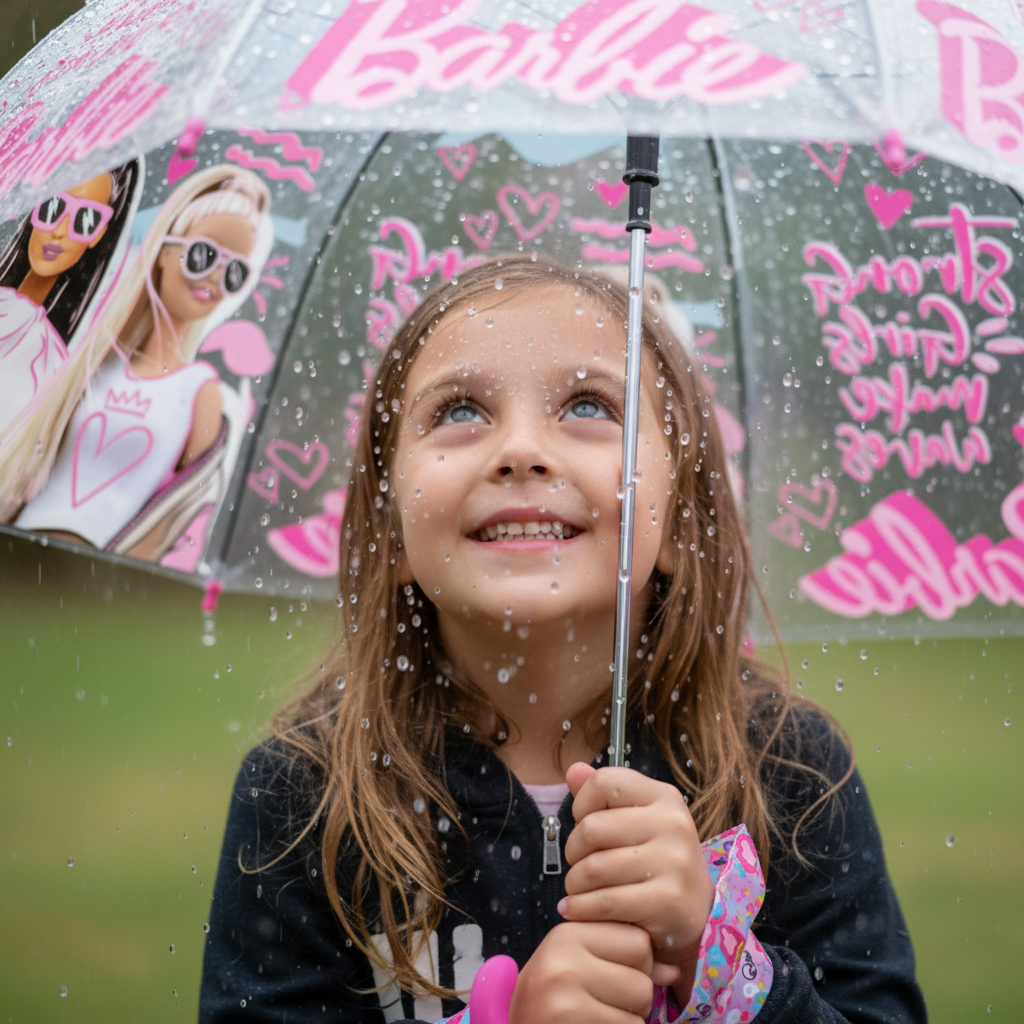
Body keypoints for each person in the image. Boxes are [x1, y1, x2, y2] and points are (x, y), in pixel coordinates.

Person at [198, 255, 926, 1024]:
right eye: (458, 412)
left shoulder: (791, 771)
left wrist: (708, 957)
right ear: (392, 533)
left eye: (588, 404)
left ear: (679, 521)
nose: (519, 448)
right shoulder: (302, 795)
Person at [4, 165, 272, 561]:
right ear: (165, 252)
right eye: (203, 256)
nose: (214, 279)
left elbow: (177, 520)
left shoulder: (199, 392)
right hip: (18, 550)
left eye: (234, 272)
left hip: (94, 581)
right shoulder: (94, 361)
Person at [0, 161, 140, 435]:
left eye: (84, 220)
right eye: (53, 207)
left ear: (98, 234)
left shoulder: (53, 359)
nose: (59, 231)